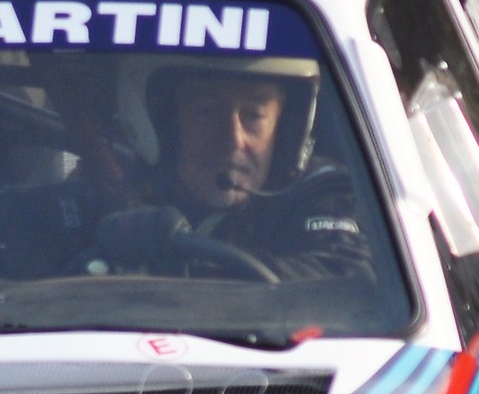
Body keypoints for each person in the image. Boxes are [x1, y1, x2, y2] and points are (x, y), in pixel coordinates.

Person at [87, 59, 379, 283]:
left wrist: (183, 266)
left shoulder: (324, 195)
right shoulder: (108, 203)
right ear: (165, 124)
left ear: (285, 130)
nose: (232, 140)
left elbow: (349, 274)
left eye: (253, 115)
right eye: (207, 110)